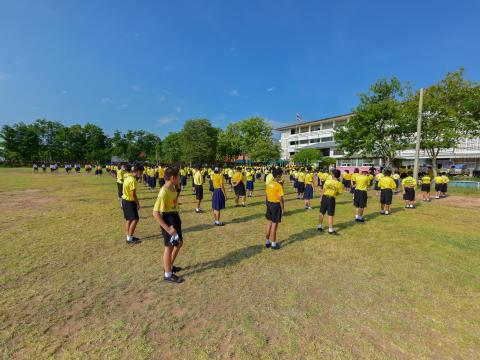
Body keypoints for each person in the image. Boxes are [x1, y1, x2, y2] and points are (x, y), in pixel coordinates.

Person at [152, 167, 184, 284]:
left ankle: (169, 266)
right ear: (172, 178)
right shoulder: (163, 191)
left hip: (175, 218)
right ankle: (168, 274)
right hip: (168, 220)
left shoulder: (173, 189)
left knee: (179, 243)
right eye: (178, 176)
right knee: (169, 247)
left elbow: (173, 201)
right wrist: (167, 227)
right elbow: (155, 213)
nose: (180, 178)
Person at [121, 164, 144, 244]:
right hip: (129, 202)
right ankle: (129, 238)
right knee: (135, 219)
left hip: (125, 200)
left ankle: (129, 236)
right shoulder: (132, 180)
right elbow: (133, 194)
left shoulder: (128, 177)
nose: (141, 175)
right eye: (141, 173)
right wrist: (138, 203)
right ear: (138, 172)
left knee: (129, 219)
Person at [317, 169, 342, 235]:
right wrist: (334, 193)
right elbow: (339, 193)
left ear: (333, 175)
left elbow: (323, 190)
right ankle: (330, 229)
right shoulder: (339, 184)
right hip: (331, 199)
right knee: (330, 214)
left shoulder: (327, 181)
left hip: (325, 197)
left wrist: (321, 198)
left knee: (322, 212)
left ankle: (319, 226)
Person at [265, 167, 284, 249]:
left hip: (269, 204)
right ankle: (273, 243)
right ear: (278, 176)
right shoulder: (279, 186)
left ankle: (267, 241)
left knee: (269, 223)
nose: (281, 177)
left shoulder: (269, 184)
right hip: (276, 205)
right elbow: (281, 199)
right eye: (280, 176)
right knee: (274, 225)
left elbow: (266, 195)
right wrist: (283, 208)